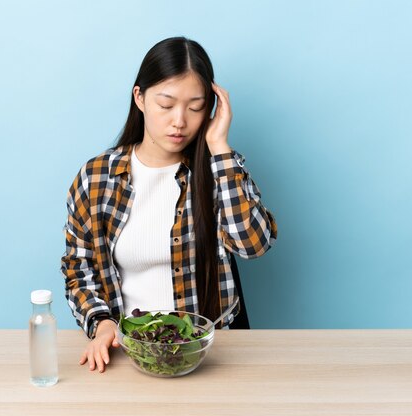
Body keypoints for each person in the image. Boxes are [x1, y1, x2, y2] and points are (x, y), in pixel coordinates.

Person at [60, 36, 277, 373]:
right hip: (128, 354)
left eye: (195, 107)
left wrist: (219, 147)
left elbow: (254, 245)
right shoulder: (97, 177)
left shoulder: (220, 169)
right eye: (166, 104)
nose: (180, 121)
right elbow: (80, 269)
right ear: (140, 98)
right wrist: (101, 324)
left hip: (209, 356)